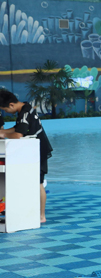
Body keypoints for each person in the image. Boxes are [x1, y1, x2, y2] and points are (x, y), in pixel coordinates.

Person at [0, 89, 53, 224]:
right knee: (33, 182)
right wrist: (2, 132)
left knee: (38, 183)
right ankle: (31, 212)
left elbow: (18, 135)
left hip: (37, 151)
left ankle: (41, 216)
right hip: (33, 150)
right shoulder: (25, 107)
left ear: (11, 105)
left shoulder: (24, 113)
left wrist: (3, 134)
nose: (6, 112)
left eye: (5, 110)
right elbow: (18, 128)